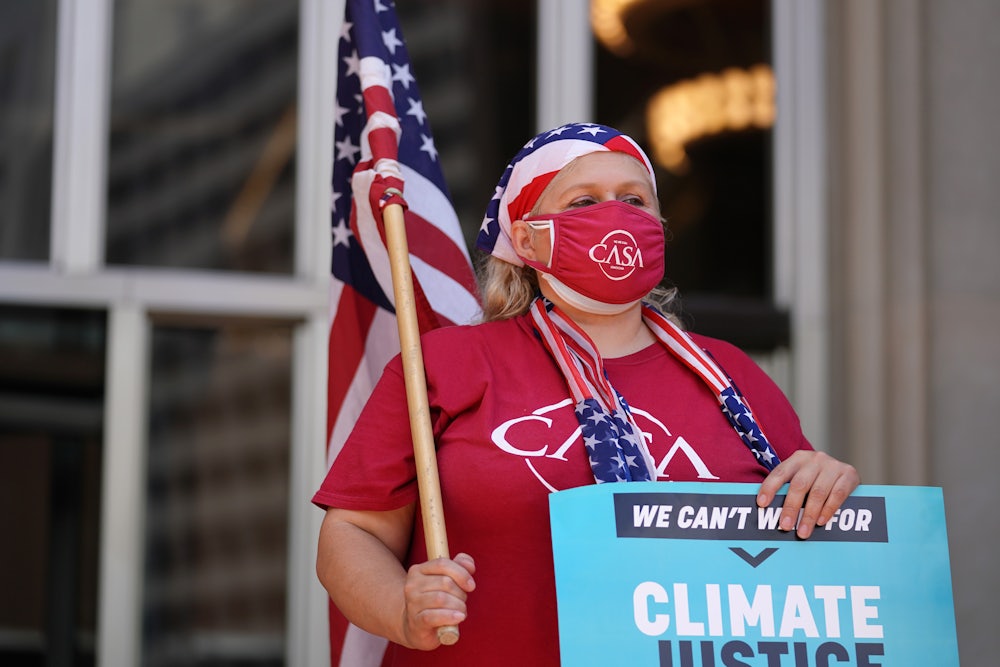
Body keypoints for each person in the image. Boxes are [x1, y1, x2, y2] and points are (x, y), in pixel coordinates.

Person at [314, 122, 859, 666]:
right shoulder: (445, 364)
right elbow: (353, 532)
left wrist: (826, 485)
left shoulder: (732, 373)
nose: (615, 215)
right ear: (526, 238)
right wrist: (401, 610)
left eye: (634, 200)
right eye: (583, 202)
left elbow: (800, 542)